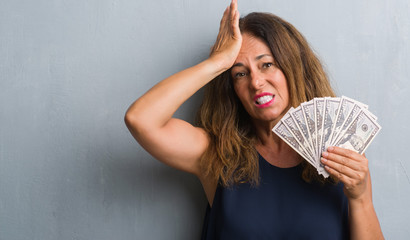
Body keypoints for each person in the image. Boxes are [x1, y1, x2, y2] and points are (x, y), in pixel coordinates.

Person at [124, 0, 384, 239]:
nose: (256, 82)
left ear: (293, 67)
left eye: (267, 64)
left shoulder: (341, 157)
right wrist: (217, 62)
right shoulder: (217, 154)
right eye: (240, 74)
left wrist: (361, 198)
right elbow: (140, 119)